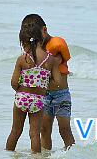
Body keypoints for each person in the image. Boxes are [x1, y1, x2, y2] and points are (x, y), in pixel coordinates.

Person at [21, 14, 75, 151]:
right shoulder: (35, 50)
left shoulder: (57, 44)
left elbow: (64, 59)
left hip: (61, 95)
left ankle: (73, 154)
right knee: (44, 130)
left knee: (64, 129)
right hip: (44, 96)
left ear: (44, 30)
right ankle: (46, 155)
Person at [5, 21, 61, 154]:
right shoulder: (51, 60)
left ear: (25, 42)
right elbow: (57, 82)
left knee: (15, 131)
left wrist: (20, 89)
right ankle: (36, 157)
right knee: (34, 133)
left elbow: (13, 82)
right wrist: (44, 85)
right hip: (38, 100)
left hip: (21, 98)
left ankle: (7, 154)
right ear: (41, 39)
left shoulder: (22, 59)